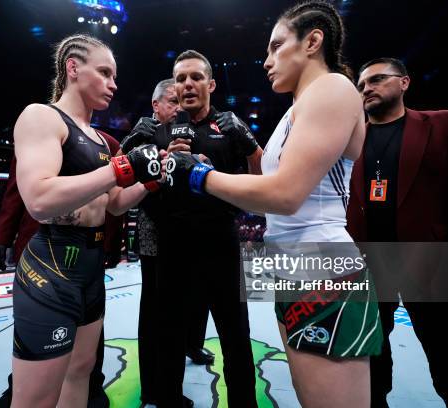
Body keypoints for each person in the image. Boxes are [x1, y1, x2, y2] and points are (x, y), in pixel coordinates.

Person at [165, 2, 383, 407]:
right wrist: (210, 170)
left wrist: (198, 176)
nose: (266, 61)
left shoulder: (332, 88)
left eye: (276, 46)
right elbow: (269, 192)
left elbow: (285, 195)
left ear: (313, 41)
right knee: (306, 395)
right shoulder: (296, 108)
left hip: (320, 259)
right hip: (289, 256)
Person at [10, 33, 162, 408]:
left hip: (92, 267)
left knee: (81, 371)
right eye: (105, 73)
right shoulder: (41, 117)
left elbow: (114, 205)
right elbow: (39, 200)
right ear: (73, 68)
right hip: (52, 265)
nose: (114, 84)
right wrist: (124, 167)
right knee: (35, 398)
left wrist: (155, 178)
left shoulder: (101, 139)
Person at [347, 57, 448, 408]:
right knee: (370, 361)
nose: (367, 88)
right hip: (368, 268)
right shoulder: (347, 140)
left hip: (429, 265)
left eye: (378, 79)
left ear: (404, 82)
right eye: (362, 84)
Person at [127, 49, 262, 407]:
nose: (188, 84)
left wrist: (251, 149)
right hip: (173, 246)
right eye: (181, 78)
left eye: (196, 77)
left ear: (211, 84)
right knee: (168, 334)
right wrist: (135, 145)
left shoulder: (230, 127)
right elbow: (122, 188)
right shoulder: (160, 130)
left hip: (221, 243)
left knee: (235, 335)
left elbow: (262, 184)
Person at [0, 137, 123, 408]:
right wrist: (1, 236)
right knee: (38, 340)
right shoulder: (44, 126)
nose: (113, 90)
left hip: (91, 250)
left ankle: (92, 391)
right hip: (46, 246)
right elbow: (19, 189)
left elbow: (113, 202)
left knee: (85, 354)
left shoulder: (107, 141)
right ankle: (16, 390)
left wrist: (111, 242)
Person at [122, 78, 214, 407]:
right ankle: (154, 389)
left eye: (181, 102)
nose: (179, 108)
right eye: (172, 102)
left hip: (189, 233)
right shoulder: (145, 133)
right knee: (155, 313)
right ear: (156, 105)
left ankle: (181, 361)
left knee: (187, 305)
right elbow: (116, 182)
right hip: (155, 234)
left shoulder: (187, 132)